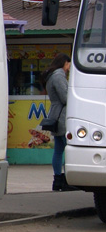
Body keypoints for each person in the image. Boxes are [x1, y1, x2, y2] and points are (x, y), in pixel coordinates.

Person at [43, 53, 72, 191]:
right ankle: (66, 180)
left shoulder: (51, 75)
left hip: (55, 114)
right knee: (69, 149)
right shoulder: (59, 76)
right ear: (64, 63)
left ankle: (57, 180)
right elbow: (65, 97)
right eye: (68, 65)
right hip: (62, 115)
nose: (69, 68)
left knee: (59, 150)